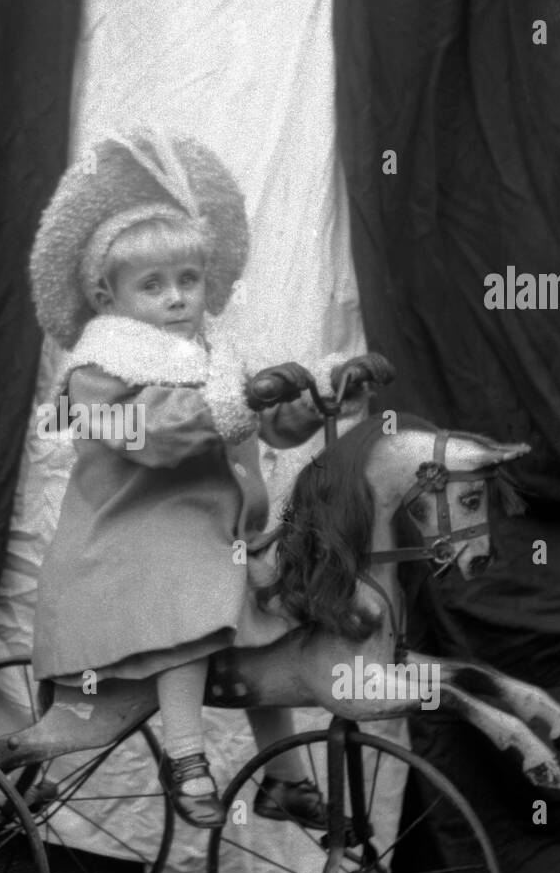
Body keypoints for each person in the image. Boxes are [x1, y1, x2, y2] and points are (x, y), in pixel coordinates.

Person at [29, 131, 364, 826]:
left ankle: (285, 778)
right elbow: (152, 436)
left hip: (219, 534)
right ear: (106, 294)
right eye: (152, 286)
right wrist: (235, 401)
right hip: (124, 547)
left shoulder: (216, 356)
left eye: (188, 280)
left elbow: (267, 428)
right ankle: (187, 758)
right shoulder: (95, 372)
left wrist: (315, 396)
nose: (178, 298)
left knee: (275, 621)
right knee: (191, 591)